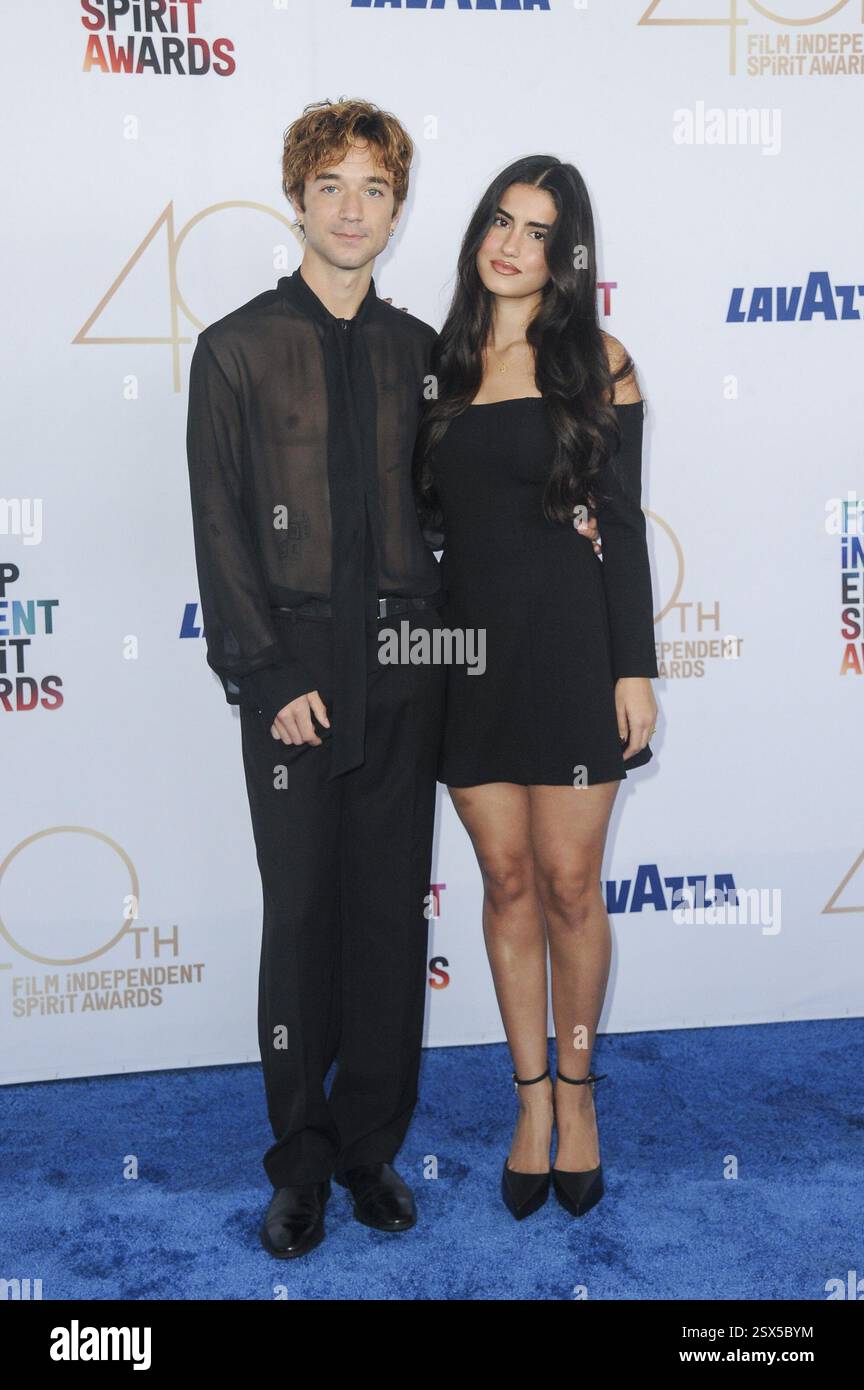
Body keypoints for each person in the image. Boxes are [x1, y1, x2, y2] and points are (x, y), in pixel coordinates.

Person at [185, 98, 453, 1259]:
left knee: (393, 915)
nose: (352, 209)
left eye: (375, 190)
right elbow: (220, 525)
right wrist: (267, 667)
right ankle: (298, 1162)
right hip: (291, 669)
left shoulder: (418, 354)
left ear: (398, 211)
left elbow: (456, 520)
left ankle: (369, 1148)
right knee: (301, 919)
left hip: (407, 665)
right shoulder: (235, 349)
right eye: (332, 186)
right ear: (297, 198)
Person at [413, 155, 660, 1221]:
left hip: (568, 653)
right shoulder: (436, 367)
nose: (513, 243)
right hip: (464, 662)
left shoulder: (598, 361)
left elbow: (628, 523)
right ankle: (527, 1102)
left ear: (568, 256)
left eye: (539, 231)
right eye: (500, 222)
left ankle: (578, 1092)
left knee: (568, 886)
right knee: (505, 883)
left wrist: (634, 664)